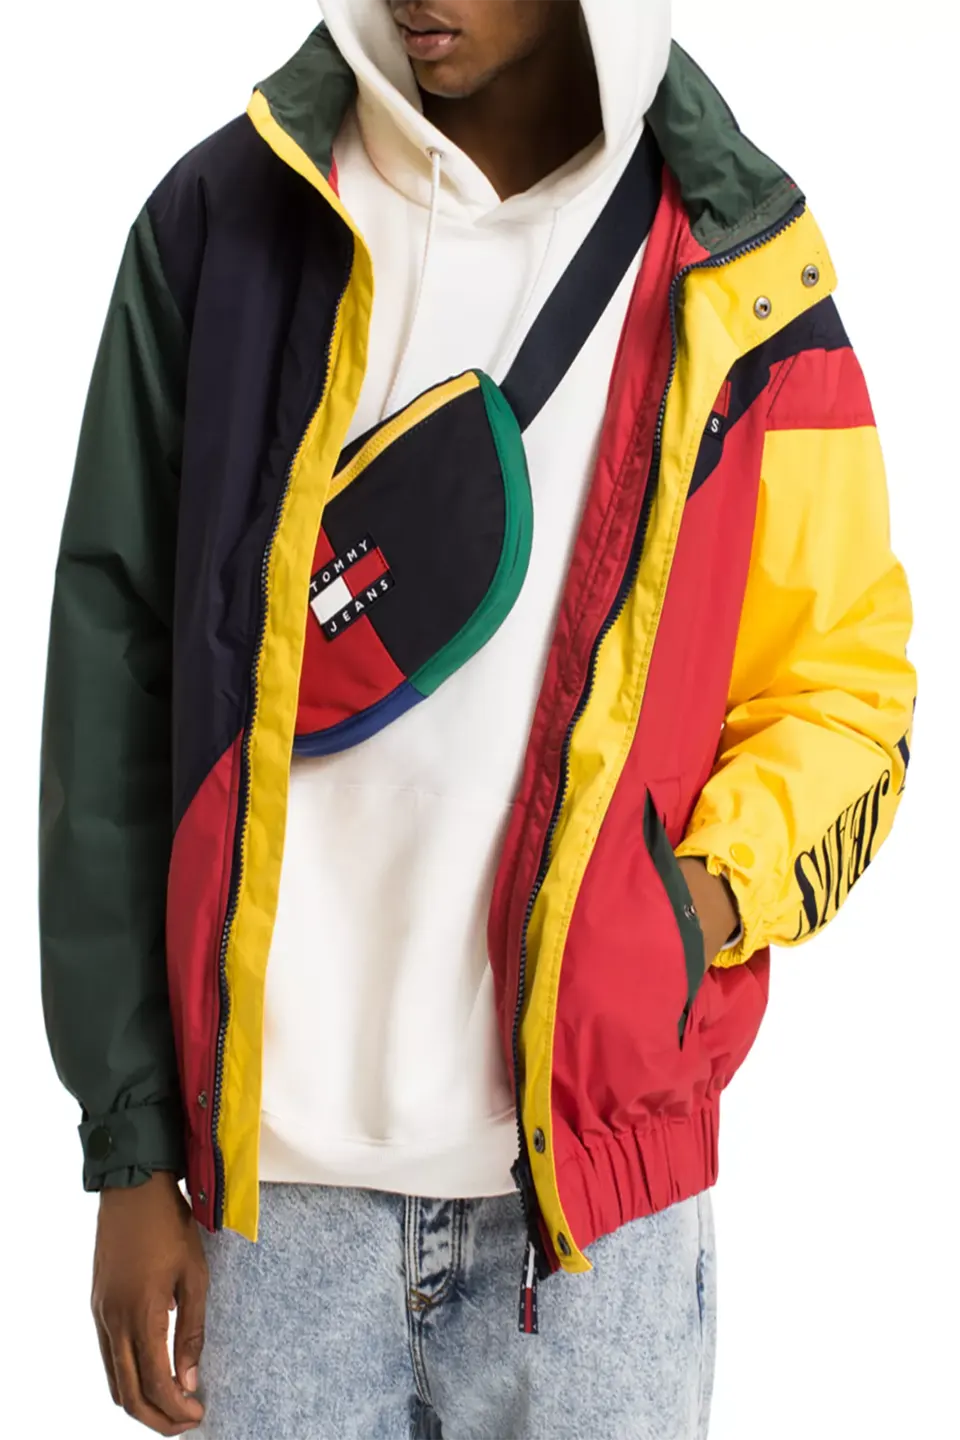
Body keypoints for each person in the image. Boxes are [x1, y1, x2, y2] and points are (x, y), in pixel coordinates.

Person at [38, 1, 916, 1436]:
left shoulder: (742, 266)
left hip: (596, 1227)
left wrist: (693, 904)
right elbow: (110, 684)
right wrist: (130, 1155)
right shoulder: (223, 223)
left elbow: (844, 685)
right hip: (273, 1216)